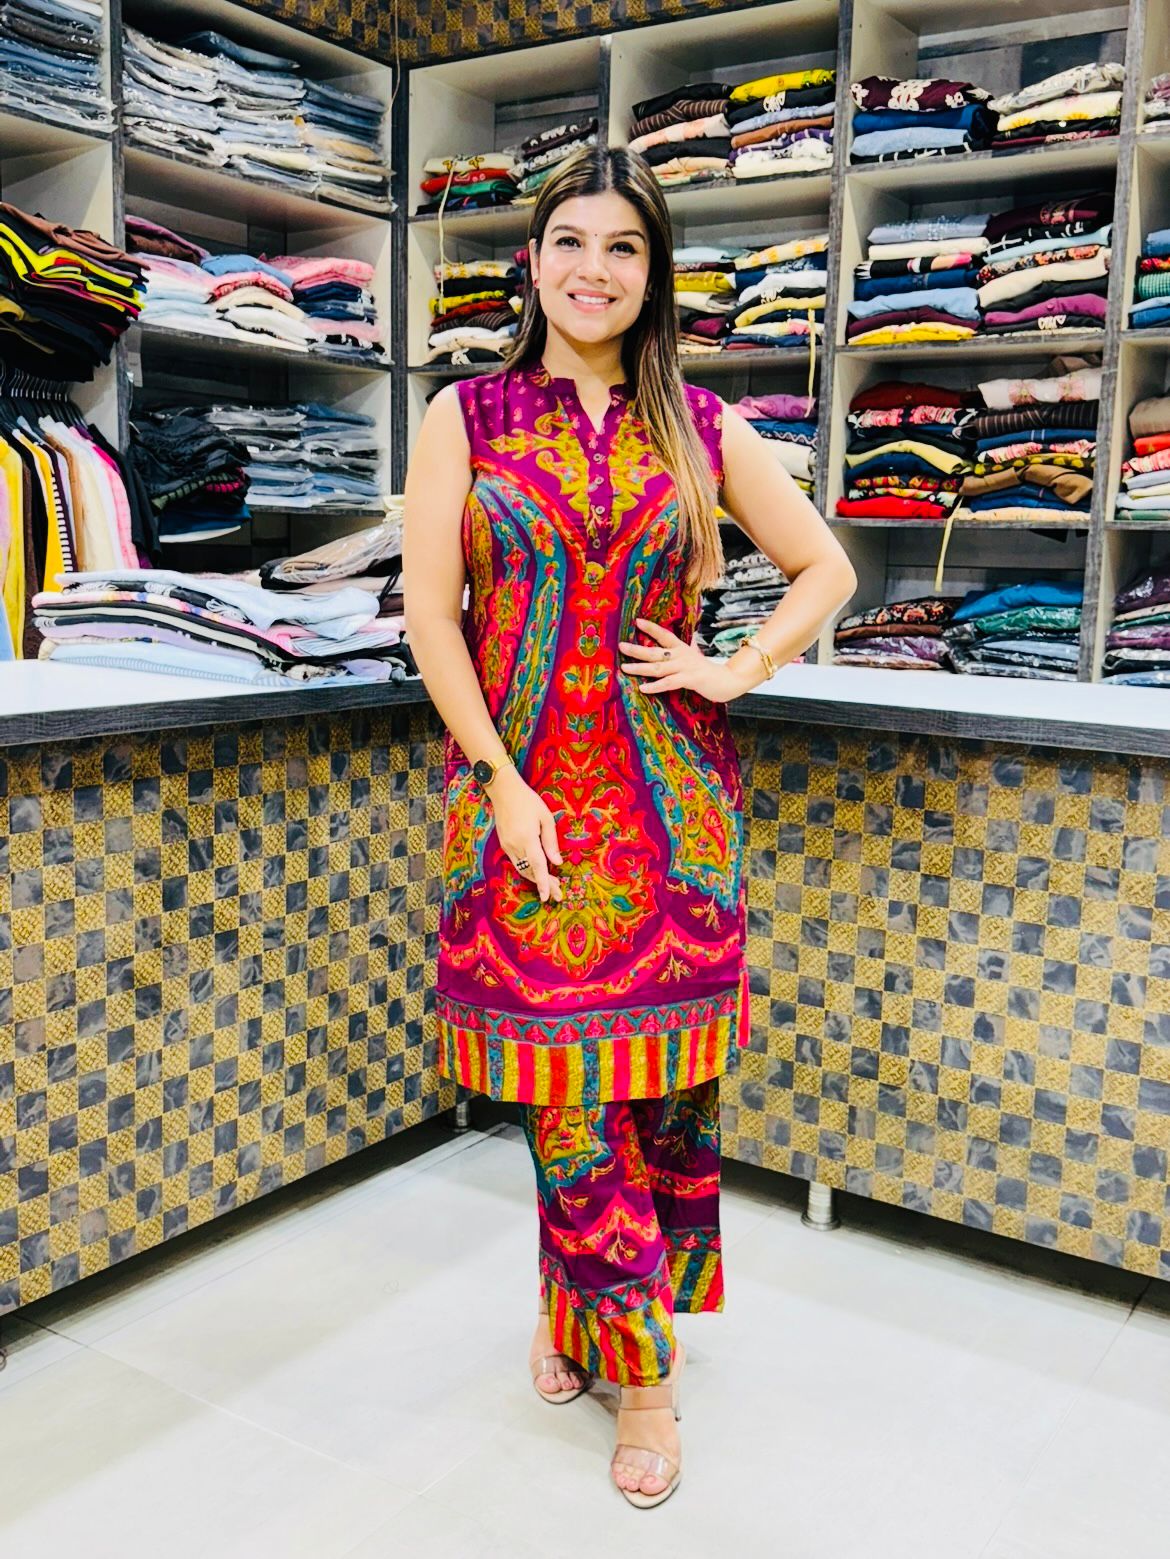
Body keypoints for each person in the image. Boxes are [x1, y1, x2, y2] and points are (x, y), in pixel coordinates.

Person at [403, 143, 856, 1509]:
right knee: (565, 1094)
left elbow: (826, 566)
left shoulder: (701, 428)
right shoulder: (466, 414)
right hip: (526, 807)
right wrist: (500, 779)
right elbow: (432, 616)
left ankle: (581, 1314)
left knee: (655, 1098)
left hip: (673, 811)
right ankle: (644, 1378)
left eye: (623, 248)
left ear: (652, 275)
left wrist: (735, 668)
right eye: (570, 242)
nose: (592, 270)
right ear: (531, 260)